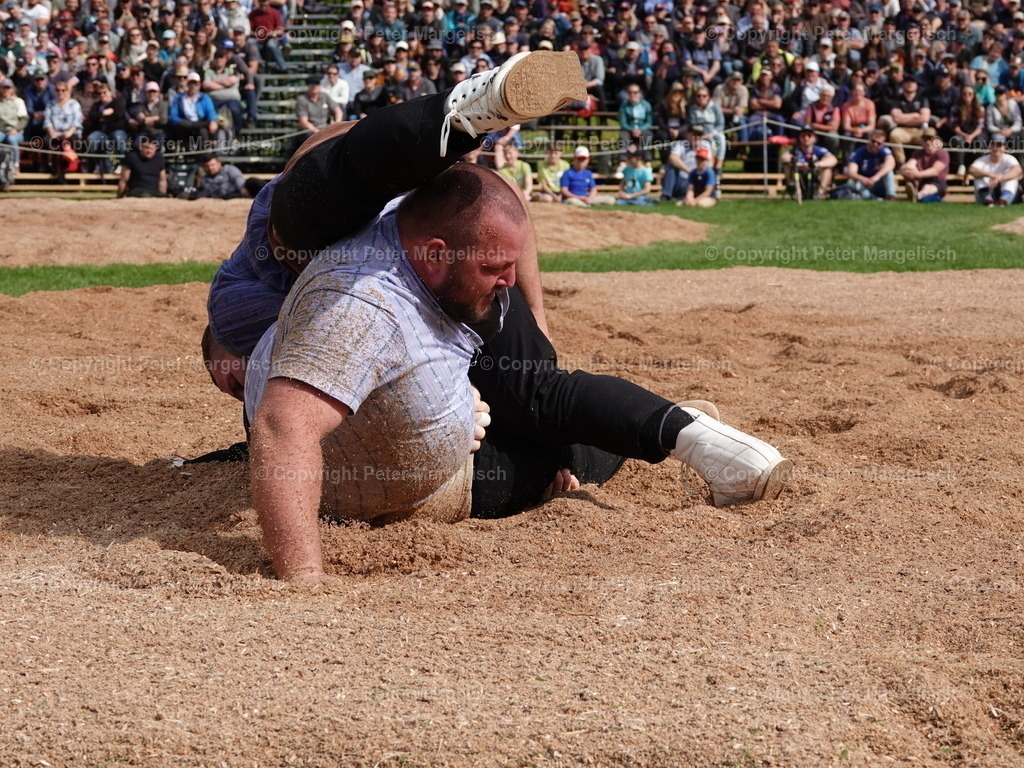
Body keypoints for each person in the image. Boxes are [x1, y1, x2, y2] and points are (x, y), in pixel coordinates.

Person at [199, 53, 791, 582]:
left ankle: (453, 119)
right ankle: (684, 426)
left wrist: (529, 317)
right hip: (406, 278)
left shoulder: (284, 293)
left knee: (300, 228)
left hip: (416, 268)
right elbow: (500, 207)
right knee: (542, 404)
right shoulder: (317, 298)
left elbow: (283, 424)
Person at [782, 126, 838, 201]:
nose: (806, 138)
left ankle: (819, 193)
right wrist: (798, 164)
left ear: (814, 138)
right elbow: (784, 157)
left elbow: (833, 159)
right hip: (799, 174)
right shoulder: (795, 150)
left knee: (827, 168)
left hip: (815, 174)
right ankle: (793, 189)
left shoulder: (819, 150)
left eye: (809, 135)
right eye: (803, 136)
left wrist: (816, 164)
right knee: (787, 166)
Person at [840, 128, 896, 200]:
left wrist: (876, 177)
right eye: (873, 141)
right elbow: (851, 172)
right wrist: (863, 179)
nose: (875, 144)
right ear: (869, 139)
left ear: (882, 144)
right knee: (851, 182)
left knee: (888, 172)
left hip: (878, 183)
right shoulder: (858, 152)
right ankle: (876, 200)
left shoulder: (884, 151)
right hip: (864, 184)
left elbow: (891, 164)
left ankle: (891, 196)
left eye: (879, 143)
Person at [169, 71, 218, 149]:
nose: (193, 86)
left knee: (203, 131)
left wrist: (212, 121)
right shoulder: (178, 98)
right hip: (185, 123)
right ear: (187, 84)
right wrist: (181, 122)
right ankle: (187, 153)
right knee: (180, 127)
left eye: (196, 84)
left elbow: (210, 111)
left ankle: (204, 156)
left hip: (200, 123)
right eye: (191, 83)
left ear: (199, 85)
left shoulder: (204, 97)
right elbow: (173, 115)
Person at [969, 134, 1022, 205]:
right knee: (979, 177)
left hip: (1003, 190)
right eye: (993, 145)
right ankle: (988, 199)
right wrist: (991, 175)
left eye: (999, 145)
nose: (996, 148)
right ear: (989, 146)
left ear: (1004, 147)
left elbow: (1017, 170)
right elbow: (972, 170)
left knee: (1011, 177)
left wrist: (1001, 177)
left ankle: (1004, 200)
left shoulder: (1009, 158)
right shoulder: (982, 160)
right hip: (987, 190)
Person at [899, 128, 949, 202]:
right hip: (921, 181)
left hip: (937, 181)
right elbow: (909, 165)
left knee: (928, 187)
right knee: (908, 170)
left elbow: (935, 171)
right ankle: (917, 194)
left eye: (930, 138)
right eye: (925, 139)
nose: (928, 142)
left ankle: (918, 195)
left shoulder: (942, 153)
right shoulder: (918, 153)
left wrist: (917, 174)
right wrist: (909, 170)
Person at [0, 78, 27, 171]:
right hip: (2, 130)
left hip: (16, 131)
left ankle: (16, 164)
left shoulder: (18, 101)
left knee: (11, 139)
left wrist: (15, 129)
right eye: (3, 88)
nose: (5, 90)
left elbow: (24, 119)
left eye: (8, 88)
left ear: (12, 89)